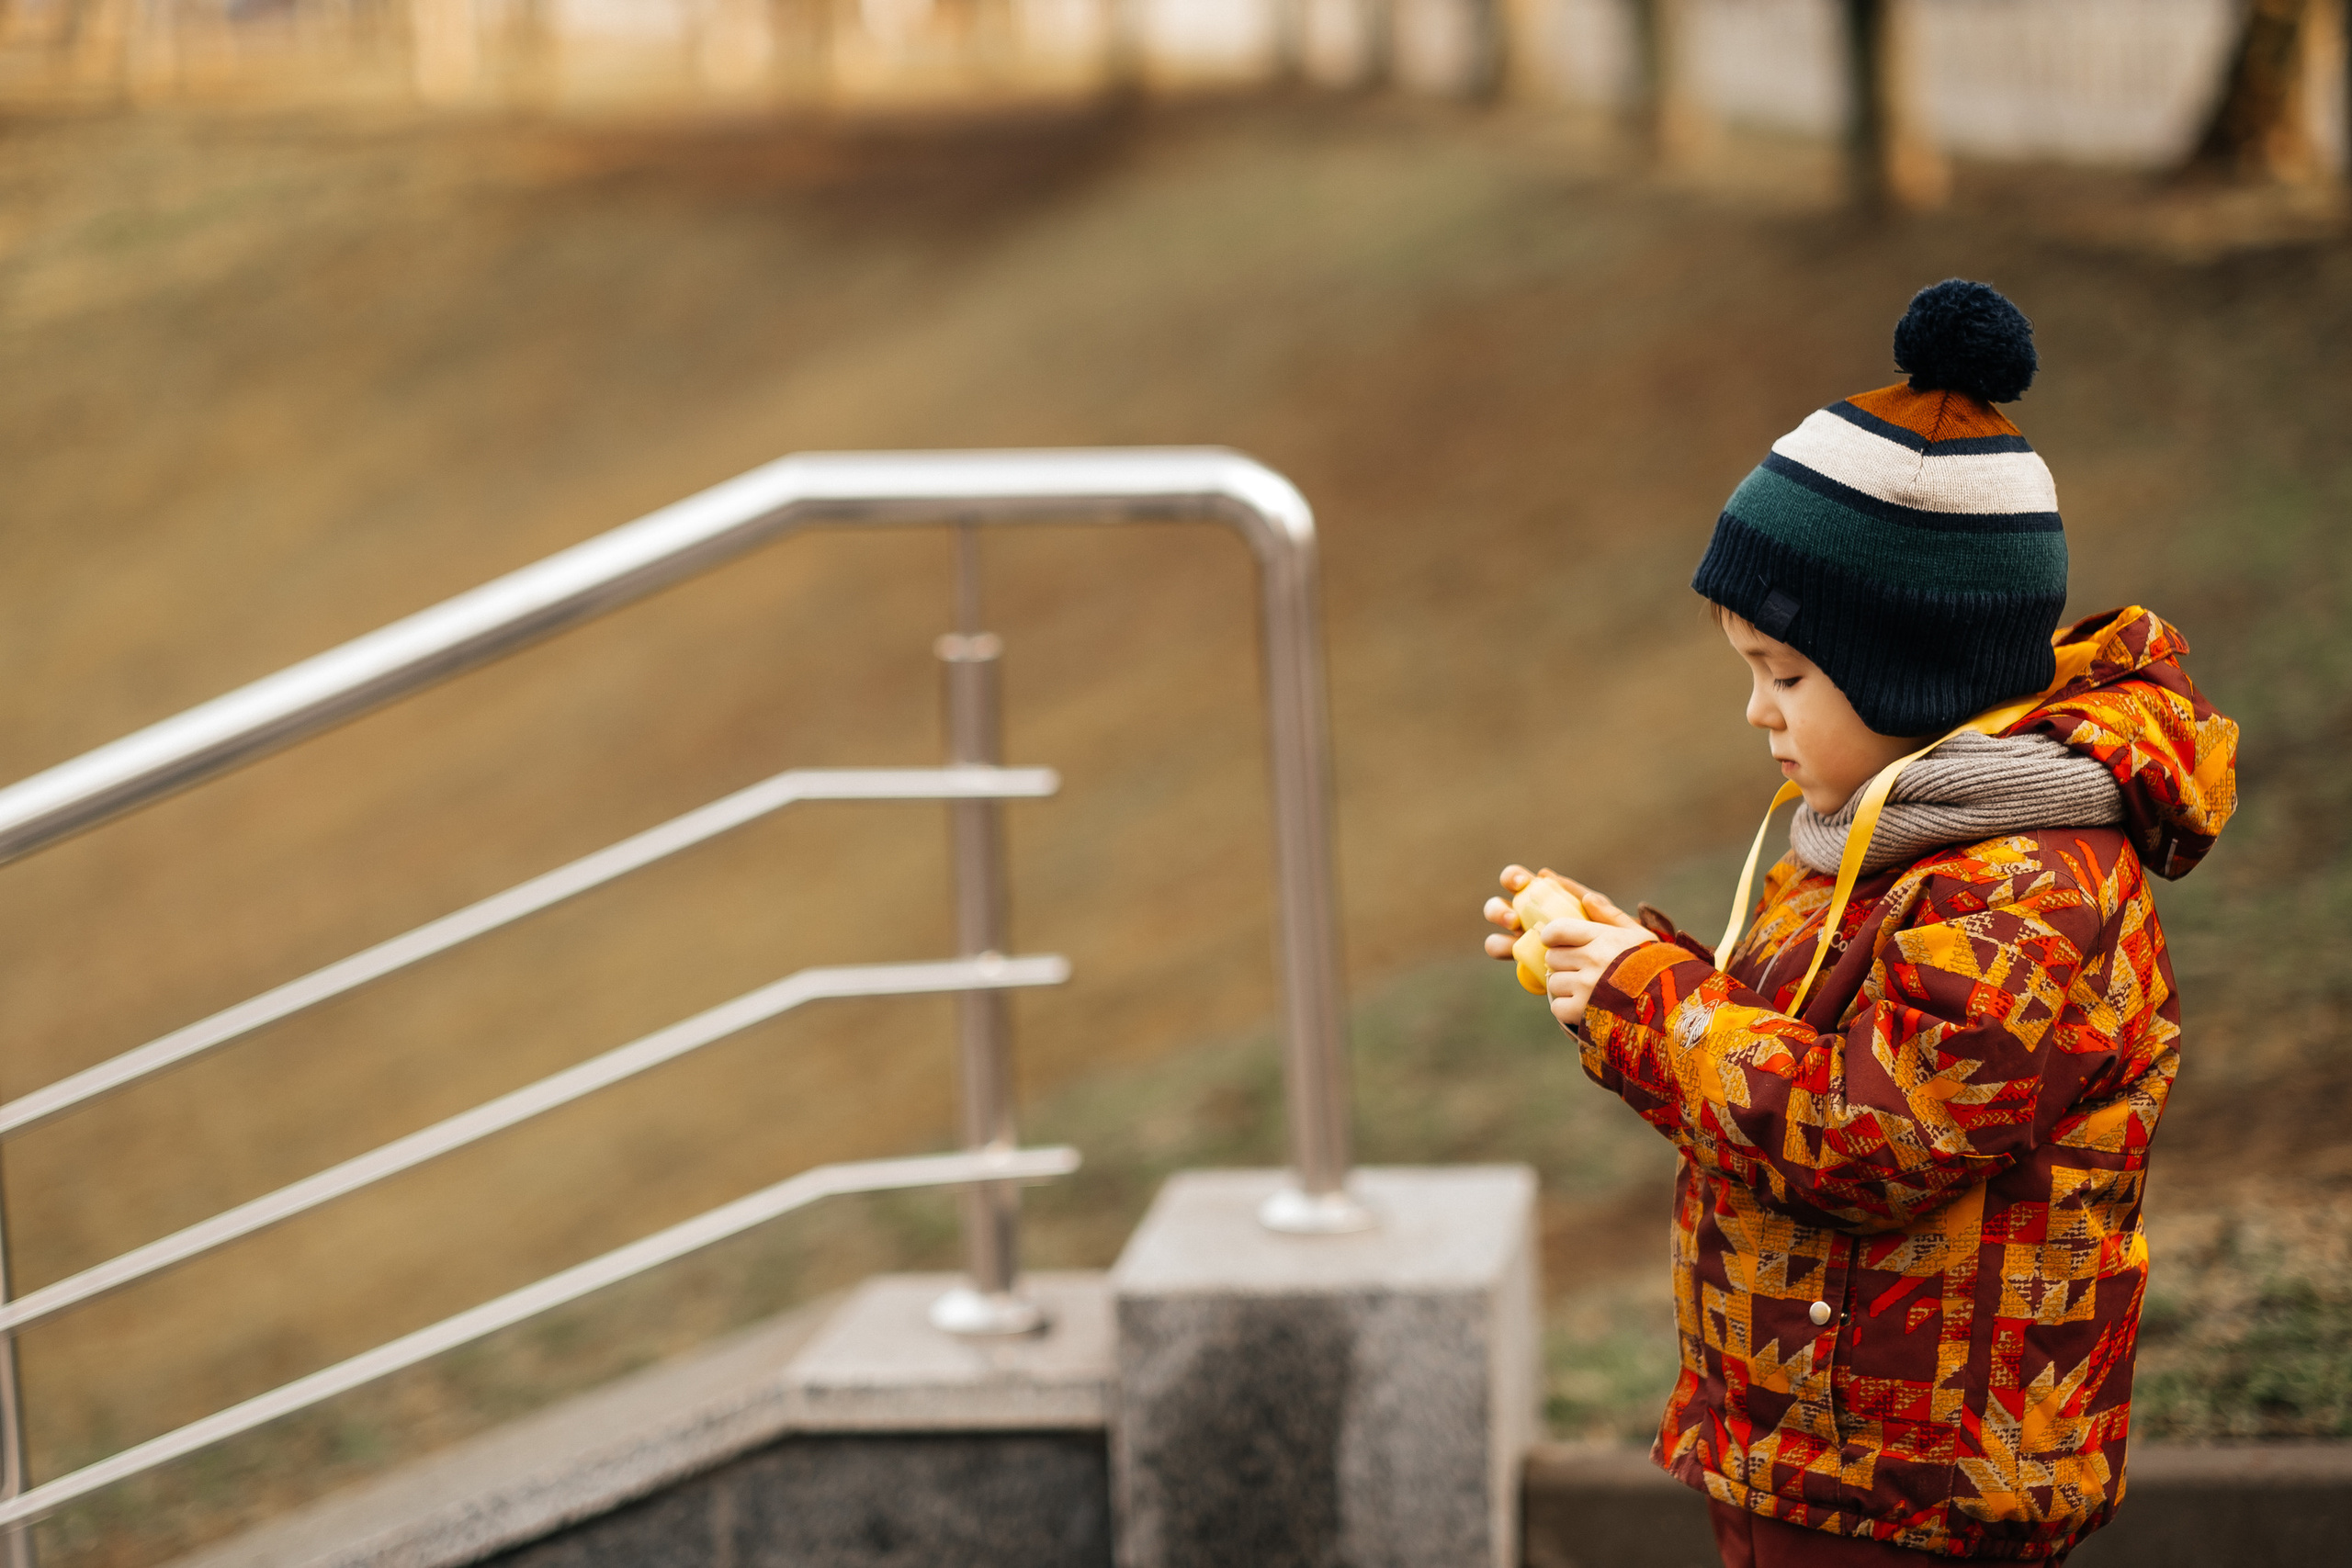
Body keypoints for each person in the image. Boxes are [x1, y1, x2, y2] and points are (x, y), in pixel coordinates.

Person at [1482, 279, 2238, 1565]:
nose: (1758, 713)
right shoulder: (1889, 835)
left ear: (1913, 675)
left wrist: (1648, 1003)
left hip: (1922, 1486)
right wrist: (1629, 963)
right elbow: (1783, 1039)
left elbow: (1864, 1134)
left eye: (1786, 676)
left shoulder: (2020, 890)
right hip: (1818, 1443)